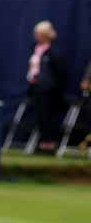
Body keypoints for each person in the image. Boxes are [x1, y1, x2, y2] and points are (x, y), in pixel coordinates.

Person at [25, 20, 71, 150]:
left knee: (48, 116)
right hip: (36, 88)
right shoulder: (35, 50)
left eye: (38, 34)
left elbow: (60, 72)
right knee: (39, 116)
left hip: (49, 89)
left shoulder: (54, 52)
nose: (36, 36)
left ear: (45, 35)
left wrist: (54, 86)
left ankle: (51, 143)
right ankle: (43, 142)